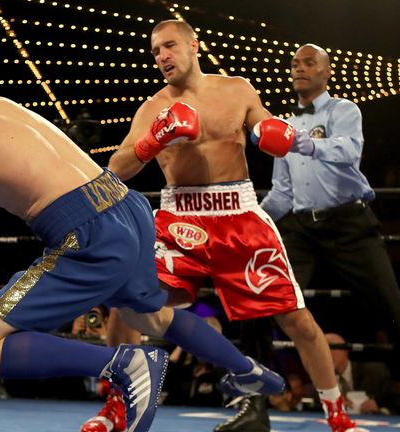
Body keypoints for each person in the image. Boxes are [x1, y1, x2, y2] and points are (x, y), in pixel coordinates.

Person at [0, 92, 286, 432]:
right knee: (152, 315)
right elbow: (6, 157)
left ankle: (126, 364)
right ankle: (248, 371)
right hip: (127, 208)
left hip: (87, 233)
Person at [89, 20, 362, 432]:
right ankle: (115, 404)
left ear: (193, 45)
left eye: (169, 46)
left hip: (239, 216)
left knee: (297, 321)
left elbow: (269, 130)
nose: (162, 55)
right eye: (155, 51)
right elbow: (117, 169)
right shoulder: (151, 109)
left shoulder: (237, 89)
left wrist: (275, 134)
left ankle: (338, 417)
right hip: (179, 220)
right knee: (129, 299)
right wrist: (154, 140)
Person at [260, 43, 400, 432]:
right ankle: (251, 402)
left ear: (326, 72)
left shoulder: (345, 111)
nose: (299, 68)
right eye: (294, 63)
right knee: (262, 302)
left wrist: (301, 141)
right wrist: (249, 220)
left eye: (309, 62)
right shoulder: (283, 123)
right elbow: (282, 193)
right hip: (302, 229)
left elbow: (348, 151)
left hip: (351, 225)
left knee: (394, 315)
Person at [325, 333, 400, 415]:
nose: (326, 354)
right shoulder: (318, 377)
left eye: (331, 348)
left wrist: (379, 410)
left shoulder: (375, 373)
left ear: (345, 351)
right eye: (321, 351)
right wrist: (332, 406)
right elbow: (314, 406)